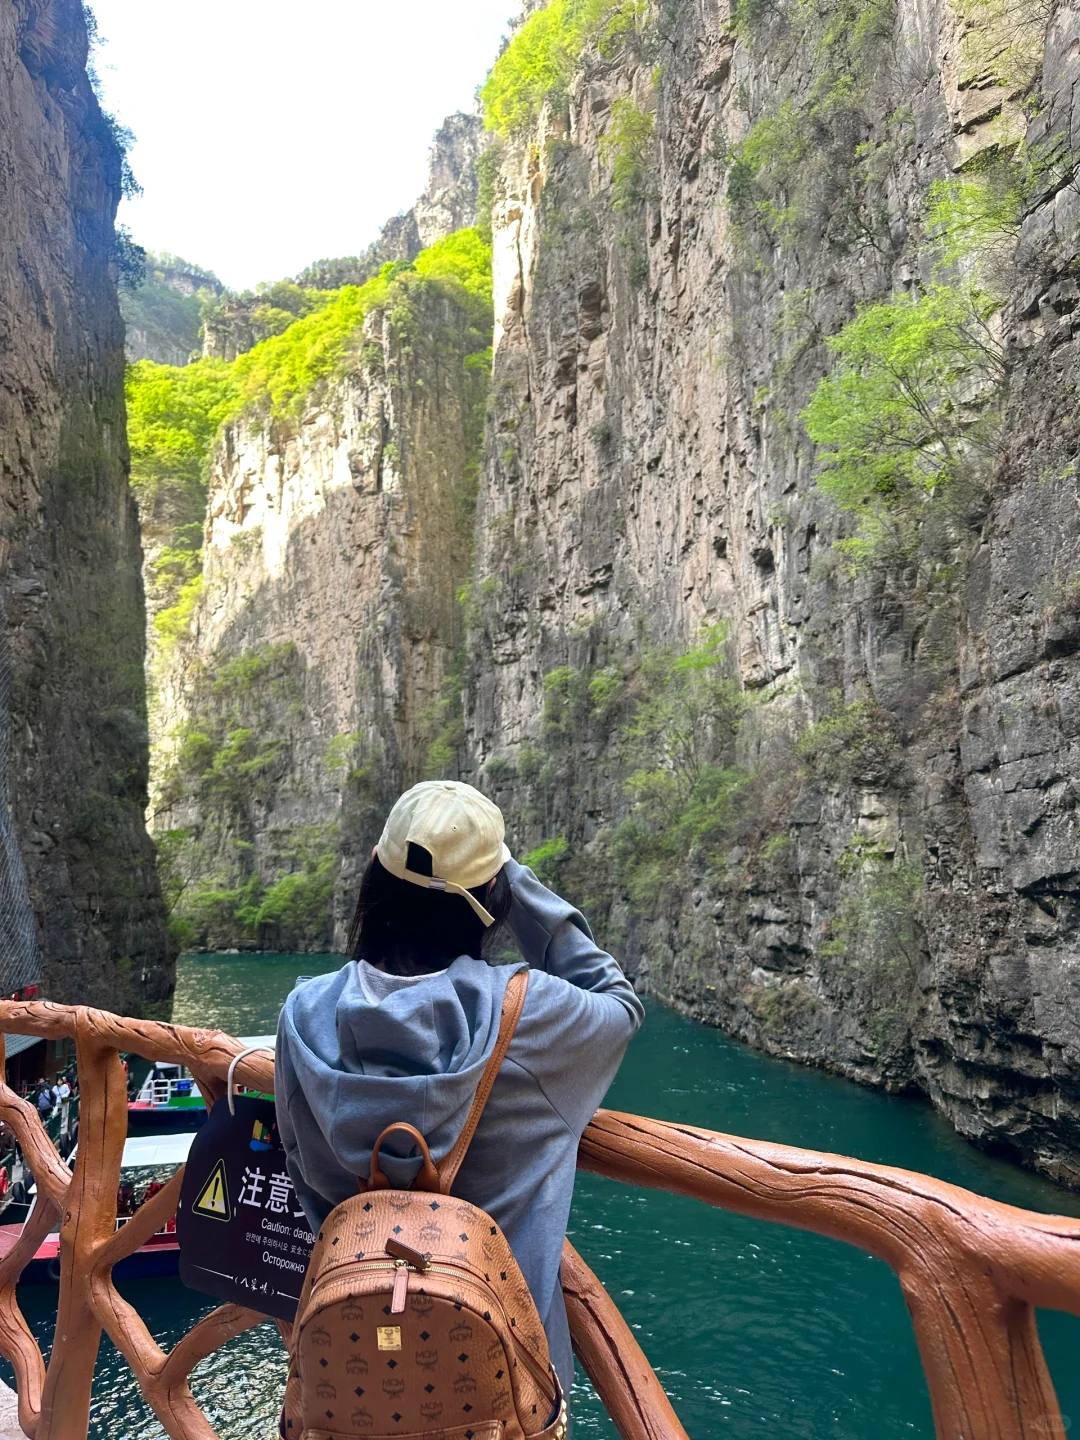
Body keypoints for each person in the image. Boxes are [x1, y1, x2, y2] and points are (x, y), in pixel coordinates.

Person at [276, 780, 644, 1408]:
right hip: (501, 1392)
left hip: (355, 1377)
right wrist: (514, 884)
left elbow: (297, 1165)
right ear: (493, 900)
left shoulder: (303, 1016)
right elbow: (618, 1001)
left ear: (373, 876)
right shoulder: (531, 1016)